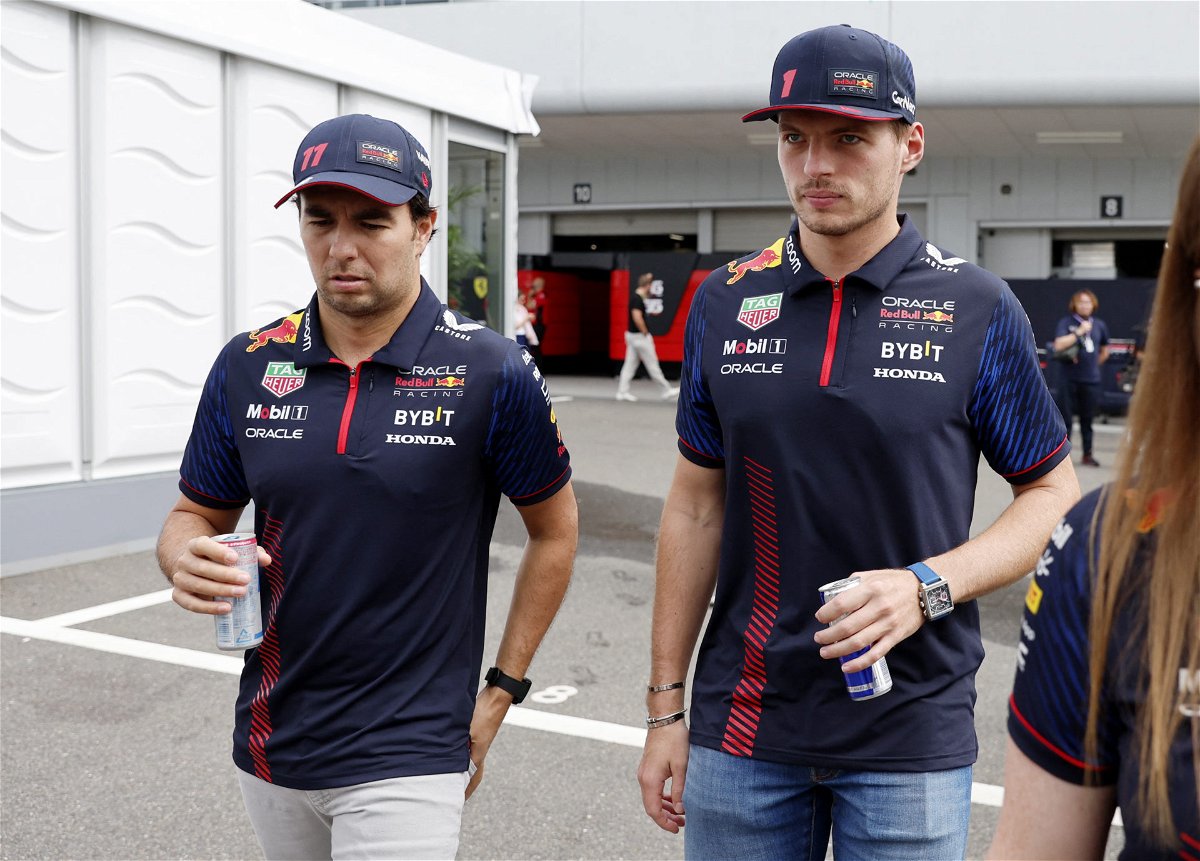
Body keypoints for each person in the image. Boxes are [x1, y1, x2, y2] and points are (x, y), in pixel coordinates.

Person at [636, 25, 1080, 860]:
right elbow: (696, 506)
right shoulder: (724, 302)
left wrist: (928, 587)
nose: (815, 166)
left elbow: (1052, 492)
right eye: (793, 139)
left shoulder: (978, 307)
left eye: (848, 138)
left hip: (908, 736)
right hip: (742, 727)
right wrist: (666, 708)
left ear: (909, 145)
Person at [156, 114, 577, 861]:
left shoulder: (489, 370)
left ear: (424, 227)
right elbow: (194, 514)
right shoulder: (249, 364)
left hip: (410, 750)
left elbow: (555, 530)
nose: (340, 247)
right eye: (320, 220)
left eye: (371, 222)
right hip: (273, 737)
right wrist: (183, 555)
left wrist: (502, 689)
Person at [988, 136, 1200, 861]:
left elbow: (1104, 350)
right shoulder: (1115, 548)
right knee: (1076, 425)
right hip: (1071, 389)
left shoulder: (1101, 324)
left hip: (1089, 385)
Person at [1052, 289, 1110, 466]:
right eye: (1081, 302)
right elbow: (1058, 344)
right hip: (1068, 377)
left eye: (1088, 302)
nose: (1085, 306)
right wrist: (1078, 332)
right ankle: (1063, 457)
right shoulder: (1067, 322)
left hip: (1090, 379)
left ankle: (1087, 454)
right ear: (1074, 305)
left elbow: (1105, 350)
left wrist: (1092, 365)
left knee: (1088, 419)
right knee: (1066, 419)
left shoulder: (1099, 325)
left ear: (1093, 305)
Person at [616, 272, 679, 402]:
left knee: (629, 365)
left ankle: (622, 392)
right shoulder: (637, 299)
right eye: (650, 285)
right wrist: (645, 333)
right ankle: (666, 390)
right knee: (652, 365)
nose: (651, 288)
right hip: (640, 337)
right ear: (647, 285)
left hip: (632, 336)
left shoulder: (636, 298)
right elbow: (637, 317)